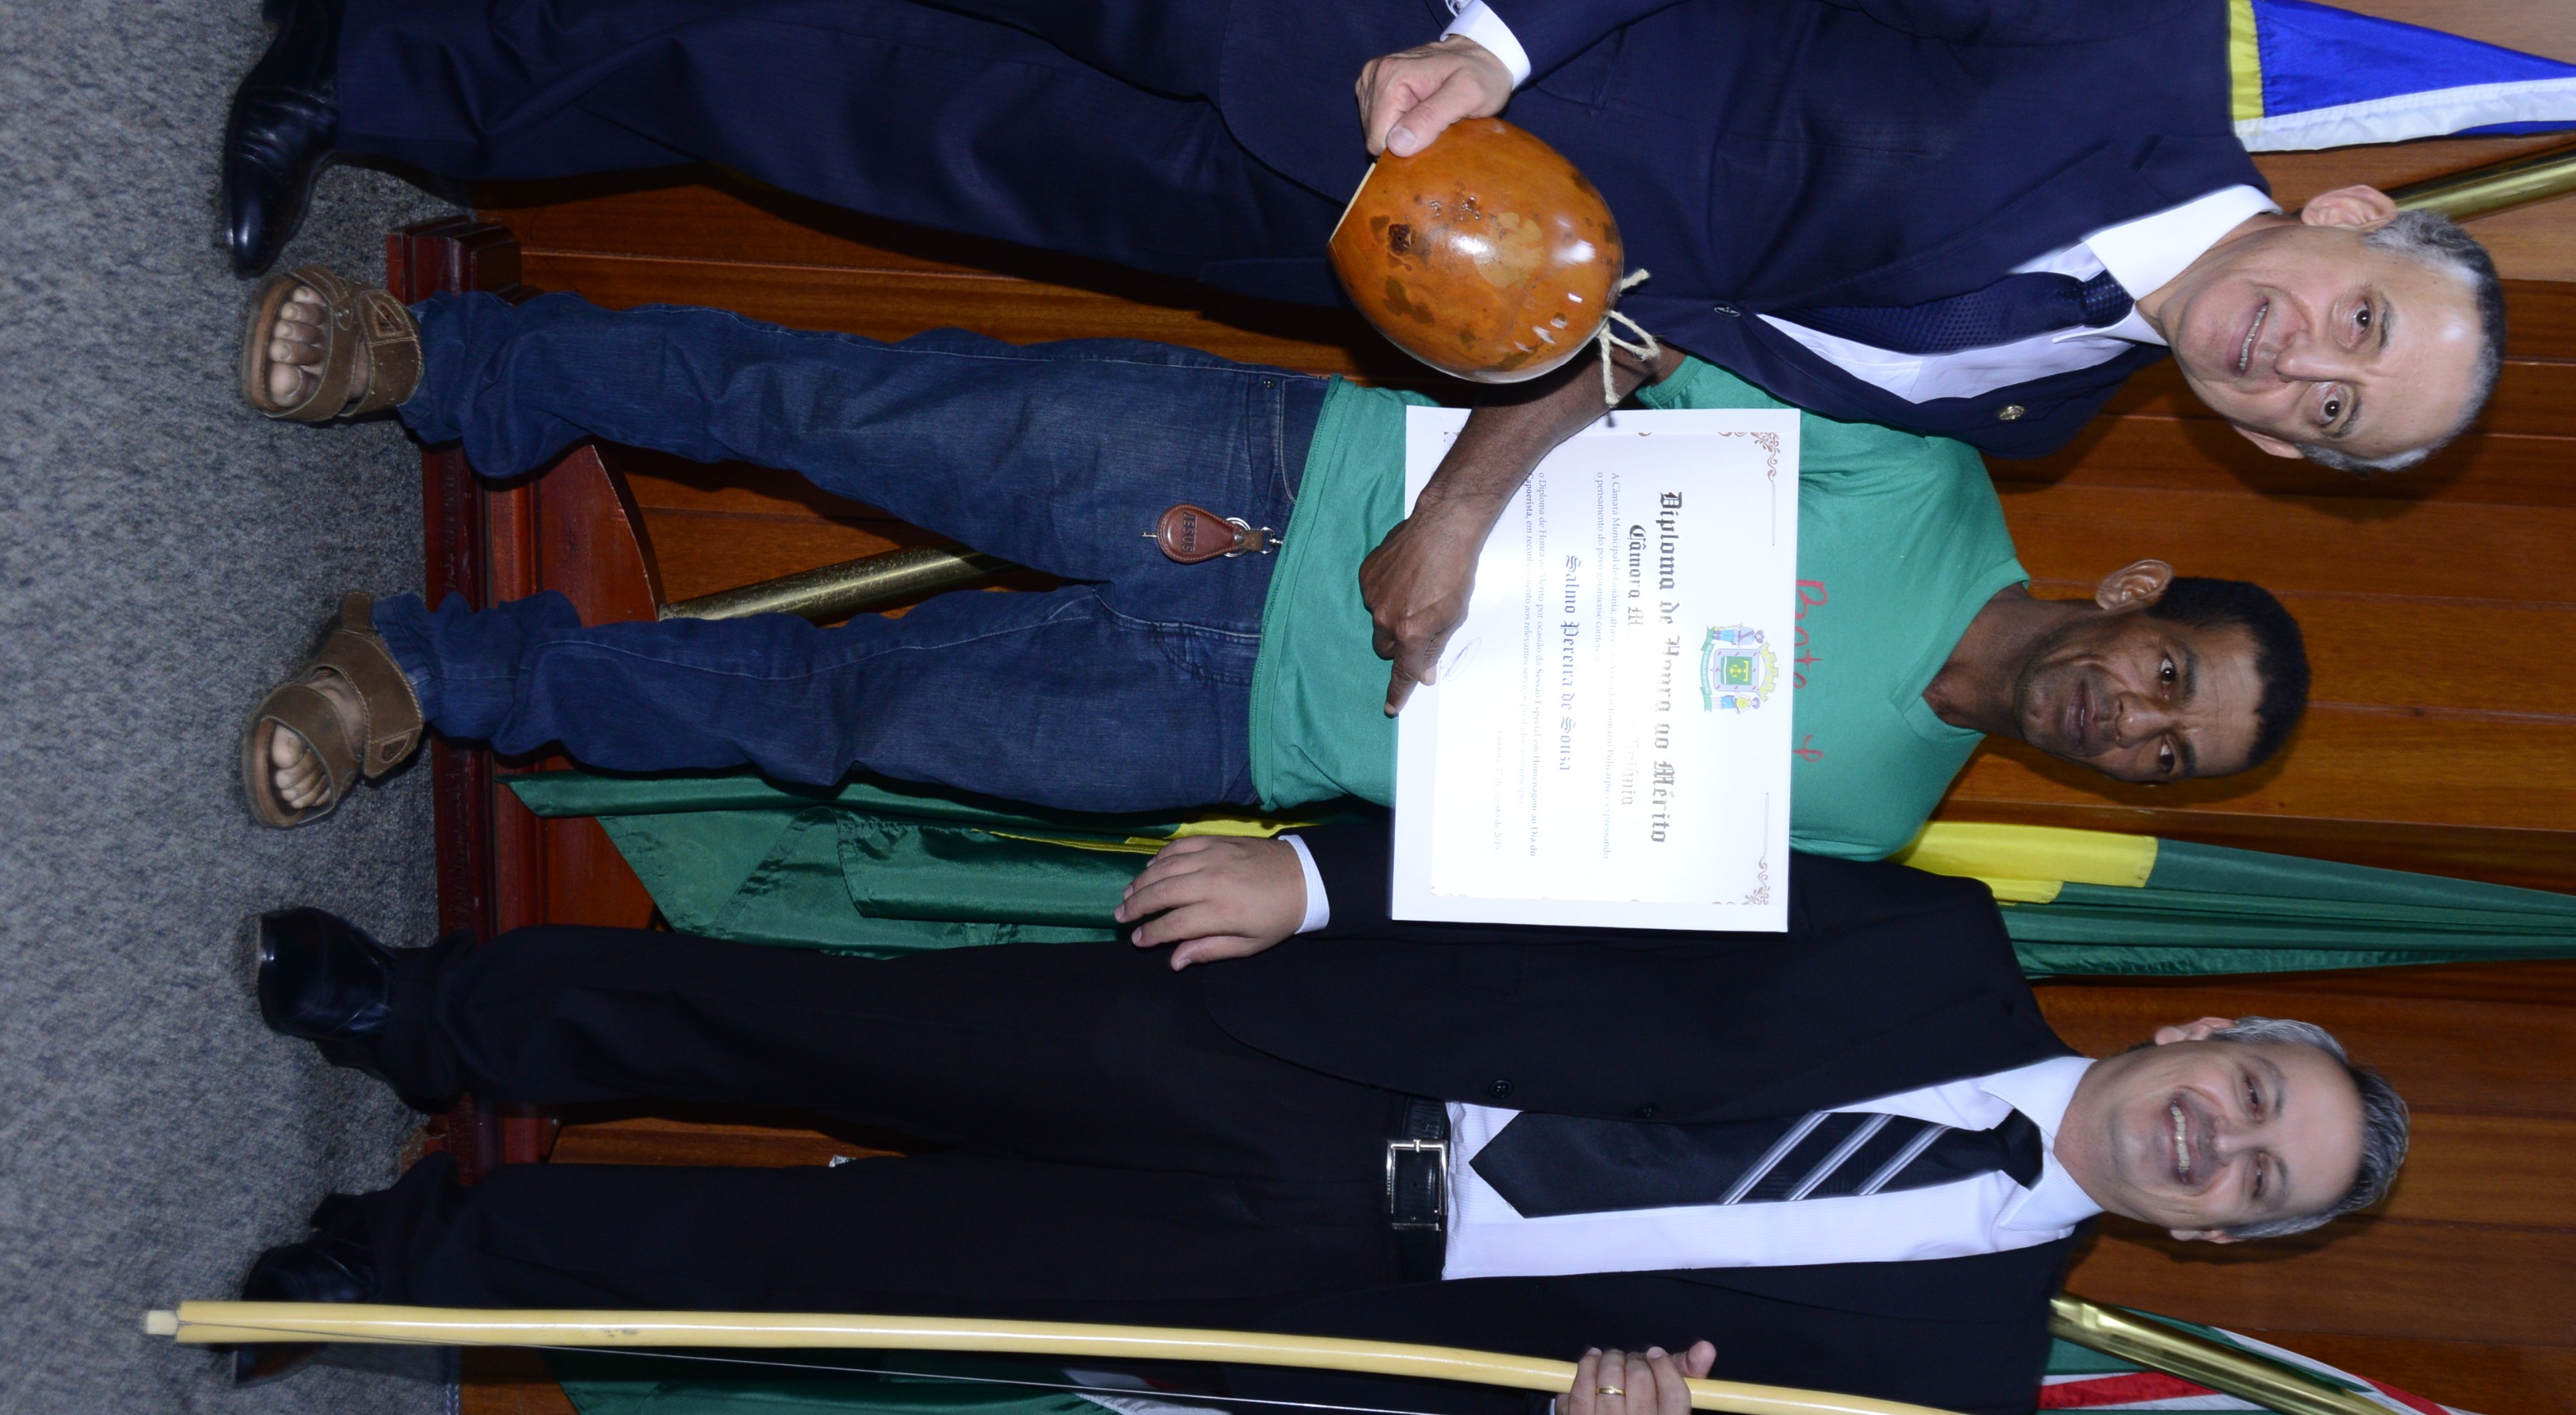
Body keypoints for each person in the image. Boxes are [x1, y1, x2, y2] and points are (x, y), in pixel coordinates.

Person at [88, 0, 2497, 692]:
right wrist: (1500, 45)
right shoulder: (2136, 13)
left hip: (1343, 243)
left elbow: (1699, 330)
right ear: (2359, 213)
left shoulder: (2045, 413)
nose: (2302, 374)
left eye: (2333, 428)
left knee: (821, 110)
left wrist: (1491, 453)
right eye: (2362, 333)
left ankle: (372, 53)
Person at [227, 813, 2410, 1415]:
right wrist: (1319, 877)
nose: (2217, 1141)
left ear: (2215, 1238)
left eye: (2252, 1181)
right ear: (2198, 1038)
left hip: (1322, 1286)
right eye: (2249, 1096)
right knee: (805, 1018)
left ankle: (403, 1261)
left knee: (818, 1262)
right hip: (1305, 1041)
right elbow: (1602, 871)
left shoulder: (1971, 1368)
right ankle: (421, 1013)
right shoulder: (1934, 946)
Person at [233, 275, 2309, 854]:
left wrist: (1307, 879)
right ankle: (459, 364)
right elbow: (1636, 331)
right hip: (1280, 479)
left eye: (2169, 755)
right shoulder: (1927, 479)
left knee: (830, 711)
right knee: (835, 408)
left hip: (1246, 728)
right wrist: (1458, 517)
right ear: (2140, 595)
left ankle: (437, 678)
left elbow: (1556, 878)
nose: (2131, 724)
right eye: (2170, 679)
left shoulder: (1867, 826)